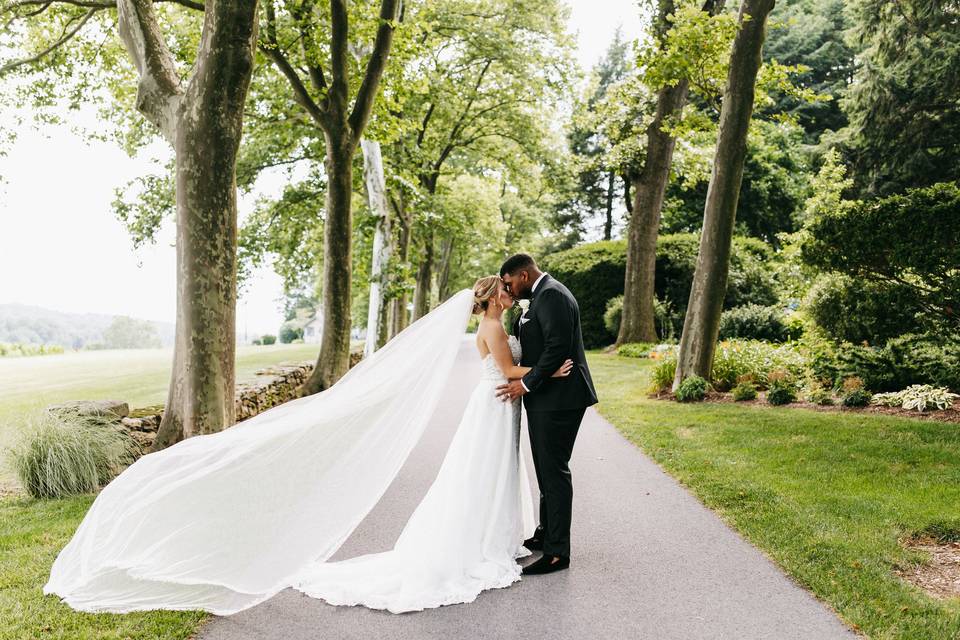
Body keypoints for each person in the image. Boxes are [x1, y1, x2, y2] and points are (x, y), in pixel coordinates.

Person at [43, 276, 575, 616]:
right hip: (495, 406)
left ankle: (496, 537)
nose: (513, 295)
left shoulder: (492, 323)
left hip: (495, 408)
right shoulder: (495, 328)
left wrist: (536, 373)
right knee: (482, 477)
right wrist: (553, 371)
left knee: (483, 478)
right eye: (507, 291)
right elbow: (506, 370)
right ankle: (479, 543)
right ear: (495, 297)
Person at [496, 254, 598, 575]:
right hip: (547, 398)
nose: (509, 290)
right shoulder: (539, 296)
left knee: (554, 470)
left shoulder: (552, 294)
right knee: (544, 467)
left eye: (510, 283)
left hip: (561, 398)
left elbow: (557, 347)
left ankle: (557, 553)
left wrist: (525, 383)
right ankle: (546, 533)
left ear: (524, 275)